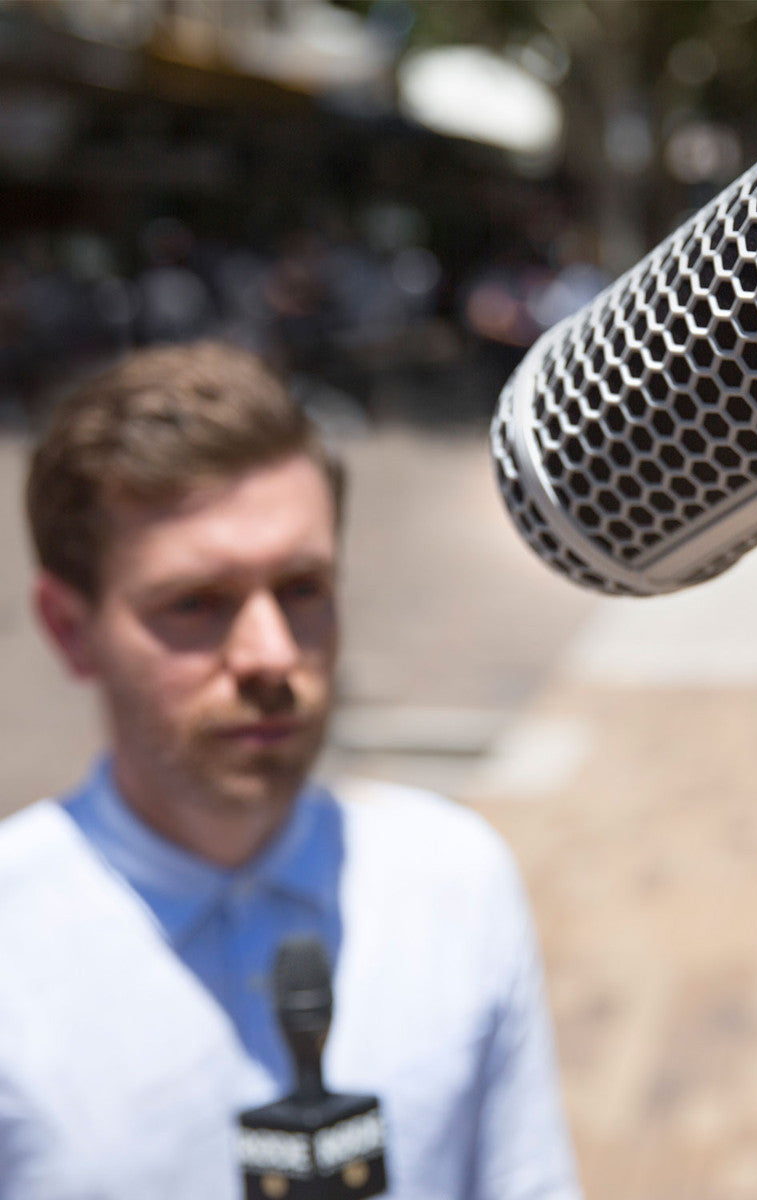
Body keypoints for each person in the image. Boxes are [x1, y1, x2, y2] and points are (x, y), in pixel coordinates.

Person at [0, 341, 581, 1200]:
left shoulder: (454, 884)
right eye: (195, 604)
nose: (272, 655)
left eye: (302, 588)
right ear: (69, 628)